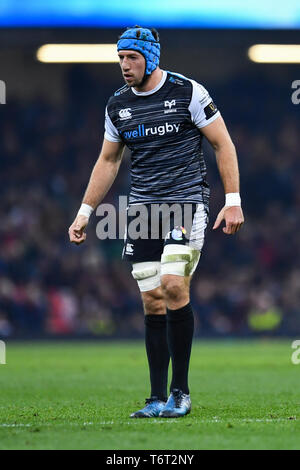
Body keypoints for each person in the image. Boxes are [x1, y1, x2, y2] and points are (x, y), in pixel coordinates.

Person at [68, 26, 244, 418]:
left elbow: (223, 143)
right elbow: (108, 160)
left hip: (185, 203)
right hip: (142, 211)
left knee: (172, 285)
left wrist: (232, 201)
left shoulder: (188, 92)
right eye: (120, 59)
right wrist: (84, 213)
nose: (124, 66)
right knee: (151, 300)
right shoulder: (117, 105)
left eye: (131, 58)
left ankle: (180, 393)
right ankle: (155, 398)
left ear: (150, 57)